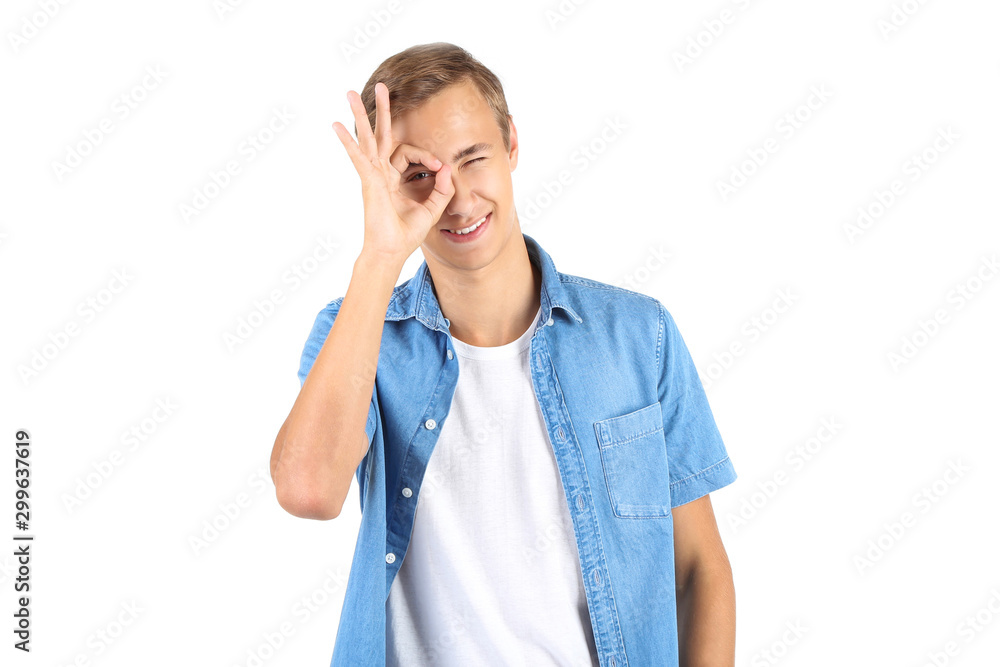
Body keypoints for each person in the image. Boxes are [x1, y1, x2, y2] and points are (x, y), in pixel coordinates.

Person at [270, 42, 738, 667]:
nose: (455, 197)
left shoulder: (637, 335)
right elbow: (308, 491)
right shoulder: (357, 335)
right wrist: (381, 255)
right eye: (419, 175)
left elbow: (699, 570)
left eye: (472, 158)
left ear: (512, 144)